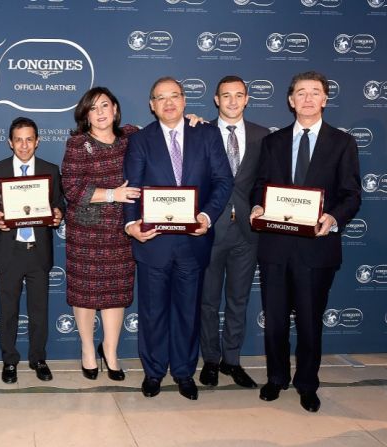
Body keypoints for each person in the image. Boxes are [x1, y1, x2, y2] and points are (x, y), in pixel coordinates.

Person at [250, 71, 361, 413]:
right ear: (290, 100)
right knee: (276, 320)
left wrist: (334, 218)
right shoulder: (273, 142)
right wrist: (256, 204)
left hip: (317, 248)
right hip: (276, 248)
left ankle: (307, 384)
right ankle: (276, 378)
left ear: (325, 99)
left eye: (316, 92)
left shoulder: (343, 143)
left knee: (311, 322)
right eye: (301, 92)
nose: (308, 98)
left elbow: (351, 194)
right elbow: (260, 186)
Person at [124, 77, 233, 400]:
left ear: (185, 101)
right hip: (153, 242)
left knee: (188, 311)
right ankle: (154, 372)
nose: (168, 103)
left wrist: (206, 216)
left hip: (192, 241)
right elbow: (132, 187)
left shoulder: (207, 134)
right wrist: (131, 225)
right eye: (161, 98)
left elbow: (222, 181)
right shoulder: (141, 140)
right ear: (151, 105)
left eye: (175, 96)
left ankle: (184, 372)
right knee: (153, 312)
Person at [61, 87, 141, 382]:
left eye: (105, 105)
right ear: (86, 115)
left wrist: (194, 119)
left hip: (122, 230)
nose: (101, 112)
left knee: (115, 295)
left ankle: (110, 350)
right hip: (86, 233)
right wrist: (112, 194)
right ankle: (87, 351)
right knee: (85, 295)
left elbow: (168, 128)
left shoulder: (132, 136)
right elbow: (71, 188)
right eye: (93, 108)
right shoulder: (78, 144)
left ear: (116, 109)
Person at [199, 76, 270, 389]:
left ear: (247, 98)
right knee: (208, 301)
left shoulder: (262, 135)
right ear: (216, 99)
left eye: (238, 95)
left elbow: (263, 181)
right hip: (211, 229)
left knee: (238, 300)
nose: (231, 101)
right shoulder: (200, 132)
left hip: (246, 231)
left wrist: (259, 205)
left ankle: (232, 361)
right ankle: (211, 361)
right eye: (225, 95)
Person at [0, 117, 65, 384]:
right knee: (8, 311)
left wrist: (57, 214)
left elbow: (59, 203)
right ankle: (9, 360)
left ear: (37, 141)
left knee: (39, 311)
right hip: (9, 251)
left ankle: (38, 358)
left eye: (29, 139)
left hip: (38, 251)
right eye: (18, 139)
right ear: (10, 142)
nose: (24, 145)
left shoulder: (50, 170)